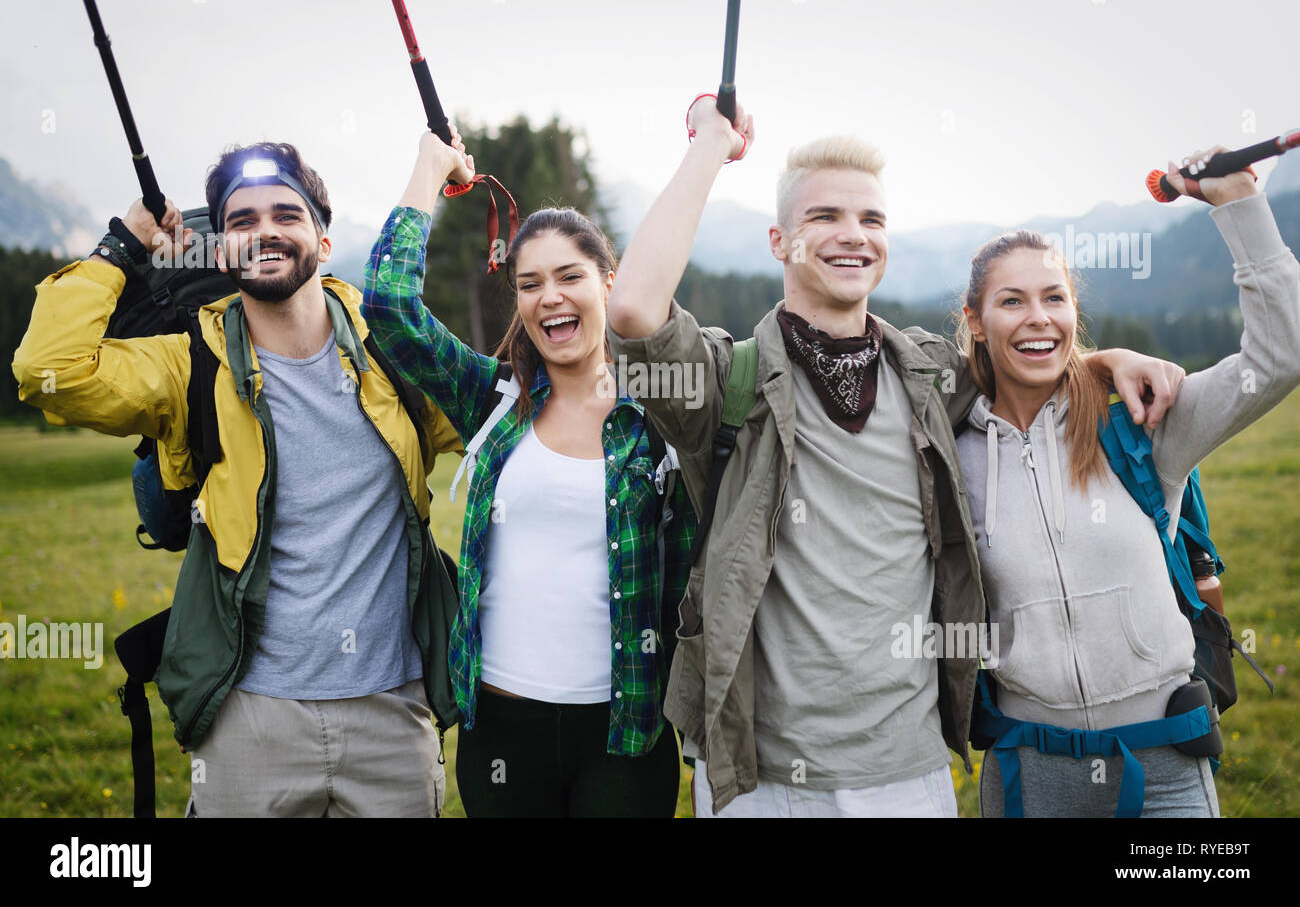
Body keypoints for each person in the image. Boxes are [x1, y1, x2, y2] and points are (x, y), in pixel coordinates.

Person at [606, 95, 1186, 817]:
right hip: (762, 779)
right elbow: (631, 310)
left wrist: (1105, 360)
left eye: (871, 220)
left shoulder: (933, 374)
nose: (853, 236)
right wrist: (709, 147)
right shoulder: (729, 381)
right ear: (780, 240)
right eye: (825, 218)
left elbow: (1029, 350)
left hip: (909, 772)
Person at [11, 142, 464, 817]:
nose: (265, 231)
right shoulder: (188, 362)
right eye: (242, 221)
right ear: (219, 252)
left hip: (391, 715)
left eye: (287, 212)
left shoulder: (390, 349)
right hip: (249, 722)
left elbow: (513, 403)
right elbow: (49, 368)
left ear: (324, 237)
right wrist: (122, 244)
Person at [954, 147, 1300, 817]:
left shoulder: (1139, 421)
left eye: (1055, 298)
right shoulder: (948, 447)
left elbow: (1280, 356)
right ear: (975, 319)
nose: (1038, 318)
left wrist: (1238, 204)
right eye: (1011, 301)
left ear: (1073, 313)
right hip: (1027, 770)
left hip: (1163, 764)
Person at [362, 131, 695, 817]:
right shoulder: (491, 400)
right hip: (502, 727)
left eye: (569, 276)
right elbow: (389, 306)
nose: (549, 298)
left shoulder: (662, 419)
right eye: (529, 284)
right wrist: (430, 171)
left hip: (624, 733)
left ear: (609, 282)